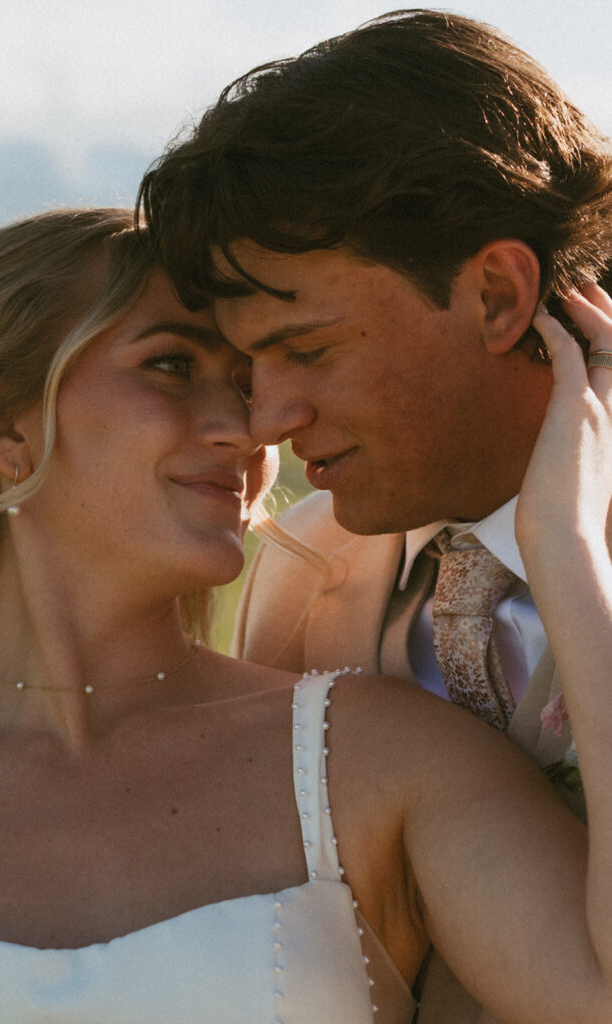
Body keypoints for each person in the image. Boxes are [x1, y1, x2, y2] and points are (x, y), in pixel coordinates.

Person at [0, 212, 612, 1024]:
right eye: (173, 364)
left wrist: (567, 543)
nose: (251, 429)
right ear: (0, 423)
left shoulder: (374, 760)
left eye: (248, 383)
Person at [138, 11, 612, 1018]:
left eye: (306, 350)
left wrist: (570, 570)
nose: (268, 417)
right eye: (242, 366)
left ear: (493, 294)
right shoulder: (303, 568)